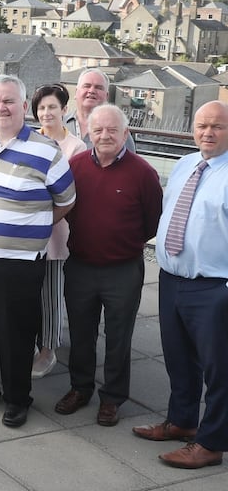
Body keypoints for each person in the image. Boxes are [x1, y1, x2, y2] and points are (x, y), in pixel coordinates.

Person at [0, 75, 75, 428]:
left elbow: (66, 201)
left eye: (9, 101)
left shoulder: (45, 150)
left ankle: (17, 398)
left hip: (16, 263)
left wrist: (26, 227)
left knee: (15, 336)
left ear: (23, 107)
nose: (1, 107)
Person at [134, 100, 228, 469]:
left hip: (213, 286)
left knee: (219, 369)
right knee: (178, 358)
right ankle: (183, 421)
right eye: (202, 125)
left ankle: (211, 443)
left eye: (217, 126)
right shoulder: (187, 163)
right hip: (172, 279)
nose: (207, 132)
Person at [55, 104, 162, 427]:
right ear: (87, 132)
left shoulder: (143, 173)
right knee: (81, 333)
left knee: (118, 337)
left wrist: (122, 243)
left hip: (123, 269)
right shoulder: (74, 167)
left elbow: (152, 223)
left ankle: (113, 398)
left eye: (112, 130)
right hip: (82, 266)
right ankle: (80, 388)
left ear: (125, 134)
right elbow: (66, 208)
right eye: (98, 129)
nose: (104, 135)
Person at [29, 83, 86, 378]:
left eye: (52, 107)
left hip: (56, 230)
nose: (46, 113)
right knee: (27, 291)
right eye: (41, 108)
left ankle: (49, 348)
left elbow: (72, 193)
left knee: (51, 293)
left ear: (65, 110)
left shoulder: (75, 147)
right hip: (26, 232)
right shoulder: (27, 140)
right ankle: (28, 342)